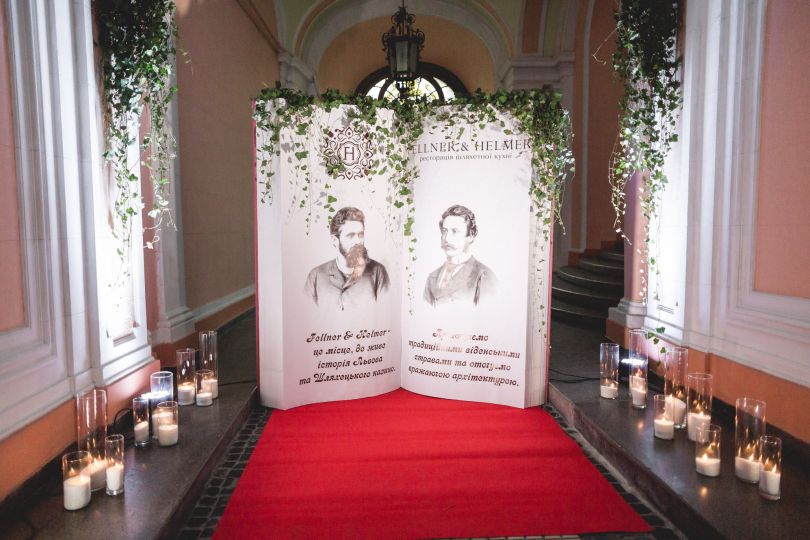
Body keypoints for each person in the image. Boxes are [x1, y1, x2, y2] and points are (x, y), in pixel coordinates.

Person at [305, 207, 389, 310]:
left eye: (361, 235)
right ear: (335, 240)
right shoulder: (316, 276)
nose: (358, 241)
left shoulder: (378, 272)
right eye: (350, 236)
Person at [424, 204, 496, 307]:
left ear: (470, 236)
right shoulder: (432, 278)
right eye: (444, 231)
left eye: (455, 231)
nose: (447, 238)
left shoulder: (483, 276)